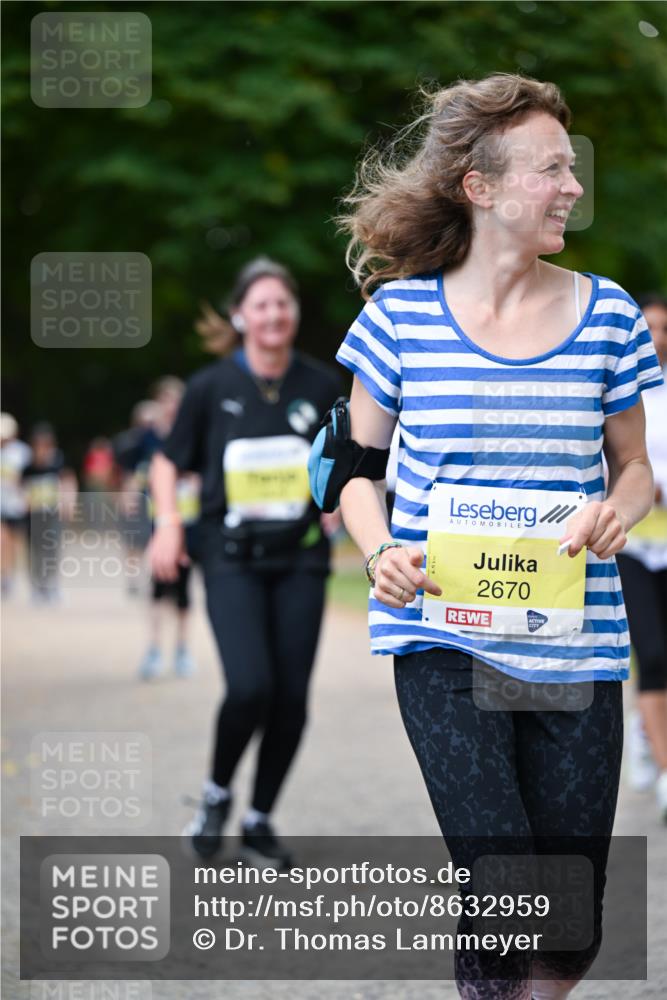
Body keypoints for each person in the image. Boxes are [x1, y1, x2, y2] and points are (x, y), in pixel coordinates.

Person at [334, 74, 663, 999]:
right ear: (480, 187)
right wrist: (378, 549)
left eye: (571, 168)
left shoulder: (606, 314)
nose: (570, 186)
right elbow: (355, 474)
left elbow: (634, 465)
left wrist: (621, 507)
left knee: (567, 924)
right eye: (551, 168)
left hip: (575, 644)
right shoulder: (397, 319)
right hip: (442, 637)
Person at [149, 257, 341, 868]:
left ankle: (258, 818)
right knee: (250, 685)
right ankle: (216, 794)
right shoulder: (210, 387)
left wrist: (339, 502)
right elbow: (165, 461)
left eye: (282, 302)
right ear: (240, 316)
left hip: (302, 560)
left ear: (295, 313)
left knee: (291, 698)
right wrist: (170, 524)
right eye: (261, 304)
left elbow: (349, 458)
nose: (273, 313)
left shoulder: (322, 385)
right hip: (229, 558)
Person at [616, 292, 667, 819]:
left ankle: (648, 732)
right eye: (646, 328)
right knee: (650, 654)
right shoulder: (620, 391)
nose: (655, 337)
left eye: (663, 328)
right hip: (630, 543)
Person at [21, 423, 77, 603]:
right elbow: (21, 487)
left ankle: (52, 585)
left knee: (52, 549)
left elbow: (68, 481)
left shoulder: (58, 462)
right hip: (34, 515)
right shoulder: (28, 466)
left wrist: (69, 504)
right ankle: (37, 587)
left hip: (52, 513)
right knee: (35, 551)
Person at [0, 413, 31, 597]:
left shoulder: (22, 452)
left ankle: (10, 574)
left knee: (14, 543)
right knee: (2, 540)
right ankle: (4, 574)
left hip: (17, 504)